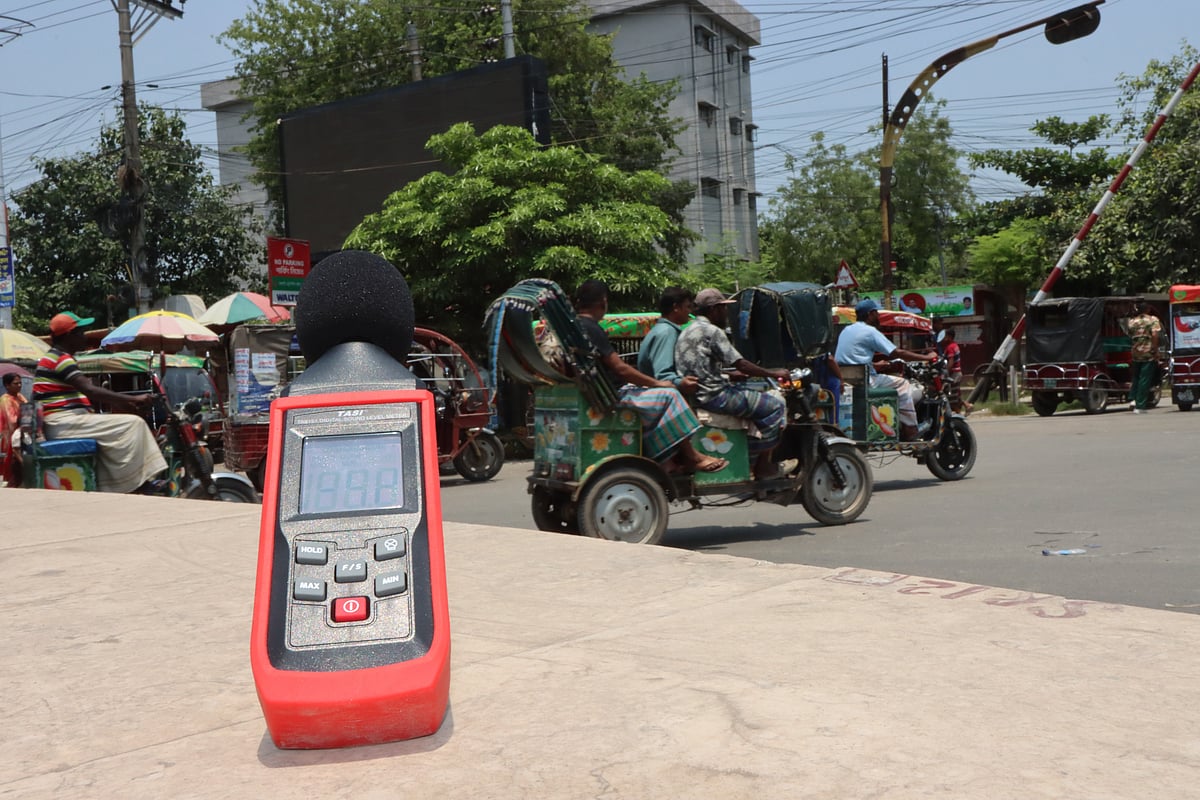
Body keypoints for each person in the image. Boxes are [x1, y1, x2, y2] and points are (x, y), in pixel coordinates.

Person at [573, 281, 726, 473]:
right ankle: (691, 457)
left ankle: (667, 461)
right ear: (603, 302)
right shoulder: (592, 328)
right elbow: (620, 369)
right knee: (671, 395)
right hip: (614, 395)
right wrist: (658, 383)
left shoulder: (575, 327)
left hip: (602, 391)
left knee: (664, 395)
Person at [33, 311, 168, 493]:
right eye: (81, 333)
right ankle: (136, 484)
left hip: (66, 421)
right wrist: (133, 398)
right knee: (134, 424)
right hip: (63, 423)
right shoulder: (61, 359)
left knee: (125, 427)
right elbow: (90, 390)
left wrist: (125, 404)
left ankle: (119, 482)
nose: (84, 337)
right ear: (69, 336)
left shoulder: (54, 357)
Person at [674, 288, 790, 480]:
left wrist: (729, 375)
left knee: (754, 398)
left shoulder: (688, 330)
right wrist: (774, 373)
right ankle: (761, 466)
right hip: (715, 396)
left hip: (698, 395)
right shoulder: (712, 331)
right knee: (775, 406)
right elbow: (741, 363)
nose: (726, 313)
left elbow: (701, 367)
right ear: (714, 310)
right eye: (723, 308)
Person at [835, 298, 937, 441]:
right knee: (903, 384)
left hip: (847, 379)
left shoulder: (846, 330)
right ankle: (911, 429)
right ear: (870, 314)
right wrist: (926, 357)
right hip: (866, 380)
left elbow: (852, 358)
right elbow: (896, 353)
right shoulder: (870, 331)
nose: (878, 316)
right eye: (876, 313)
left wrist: (875, 365)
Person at [637, 286, 696, 394]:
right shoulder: (667, 332)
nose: (690, 311)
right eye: (688, 306)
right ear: (676, 307)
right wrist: (681, 382)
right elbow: (663, 375)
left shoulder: (662, 329)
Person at [1127, 300, 1163, 414]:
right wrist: (1155, 350)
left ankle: (1133, 399)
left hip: (1136, 352)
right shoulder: (1152, 320)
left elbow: (1130, 335)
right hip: (1148, 352)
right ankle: (1140, 405)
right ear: (1148, 309)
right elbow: (1155, 335)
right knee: (1144, 379)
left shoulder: (1132, 321)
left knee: (1136, 377)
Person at [1, 371, 26, 487]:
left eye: (20, 383)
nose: (19, 386)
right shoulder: (5, 399)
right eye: (16, 383)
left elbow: (27, 408)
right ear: (7, 385)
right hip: (9, 435)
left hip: (20, 432)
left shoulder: (20, 396)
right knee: (12, 462)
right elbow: (12, 420)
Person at [939, 327, 972, 414]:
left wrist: (946, 373)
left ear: (949, 337)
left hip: (953, 374)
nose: (943, 338)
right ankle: (967, 405)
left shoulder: (950, 347)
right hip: (957, 373)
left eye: (945, 336)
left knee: (951, 396)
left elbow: (951, 361)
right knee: (955, 393)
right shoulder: (954, 345)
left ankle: (957, 414)